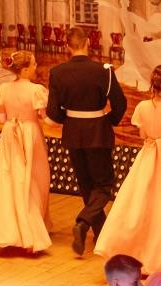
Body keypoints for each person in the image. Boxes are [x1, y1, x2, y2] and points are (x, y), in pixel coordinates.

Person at [94, 65, 161, 273]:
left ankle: (138, 251)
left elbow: (143, 135)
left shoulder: (143, 107)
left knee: (142, 204)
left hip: (149, 156)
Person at [46, 25, 128, 257]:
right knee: (104, 185)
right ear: (88, 43)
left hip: (73, 132)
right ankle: (83, 222)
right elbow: (120, 103)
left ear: (66, 46)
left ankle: (100, 232)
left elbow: (53, 111)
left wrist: (69, 119)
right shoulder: (103, 70)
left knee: (86, 184)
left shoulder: (57, 72)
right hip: (97, 131)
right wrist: (109, 120)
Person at [0, 50, 52, 253]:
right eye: (33, 64)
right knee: (35, 179)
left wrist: (13, 121)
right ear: (24, 70)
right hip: (30, 133)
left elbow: (1, 117)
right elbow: (44, 116)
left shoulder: (4, 88)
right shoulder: (36, 90)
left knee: (11, 178)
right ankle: (32, 226)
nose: (35, 67)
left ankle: (10, 228)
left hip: (10, 133)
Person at [114, 0, 161, 92]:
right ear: (122, 2)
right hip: (132, 41)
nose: (128, 2)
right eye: (126, 0)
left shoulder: (122, 13)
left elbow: (148, 27)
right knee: (143, 63)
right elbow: (149, 27)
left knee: (140, 63)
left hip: (129, 40)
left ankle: (144, 83)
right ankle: (149, 83)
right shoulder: (128, 14)